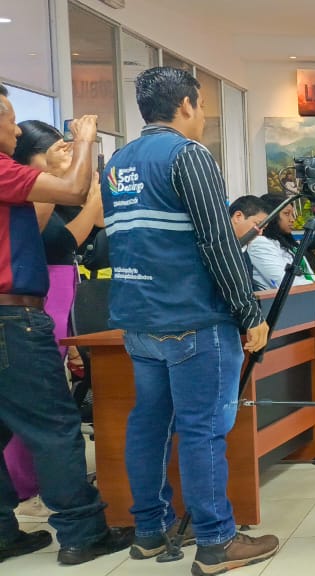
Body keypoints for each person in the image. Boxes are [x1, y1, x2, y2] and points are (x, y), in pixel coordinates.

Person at [100, 67, 279, 575]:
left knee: (149, 423)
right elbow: (217, 241)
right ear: (185, 105)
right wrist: (249, 312)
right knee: (202, 430)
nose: (202, 117)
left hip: (139, 319)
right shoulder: (188, 155)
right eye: (201, 107)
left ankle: (149, 532)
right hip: (192, 317)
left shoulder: (118, 163)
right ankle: (217, 541)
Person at [0, 88, 133, 565]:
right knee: (55, 427)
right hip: (13, 318)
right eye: (9, 119)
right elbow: (75, 192)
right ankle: (82, 532)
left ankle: (3, 534)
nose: (16, 131)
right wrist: (86, 139)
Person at [6, 119, 107, 523]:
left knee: (32, 410)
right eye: (59, 149)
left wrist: (86, 186)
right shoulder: (20, 183)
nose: (14, 130)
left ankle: (13, 518)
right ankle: (74, 524)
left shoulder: (44, 188)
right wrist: (79, 154)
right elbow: (61, 234)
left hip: (45, 301)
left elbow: (96, 221)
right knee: (47, 417)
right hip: (24, 308)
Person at [246, 194, 313, 290]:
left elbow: (308, 275)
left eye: (293, 214)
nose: (292, 220)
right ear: (272, 216)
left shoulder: (287, 243)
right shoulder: (259, 243)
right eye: (286, 214)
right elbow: (283, 282)